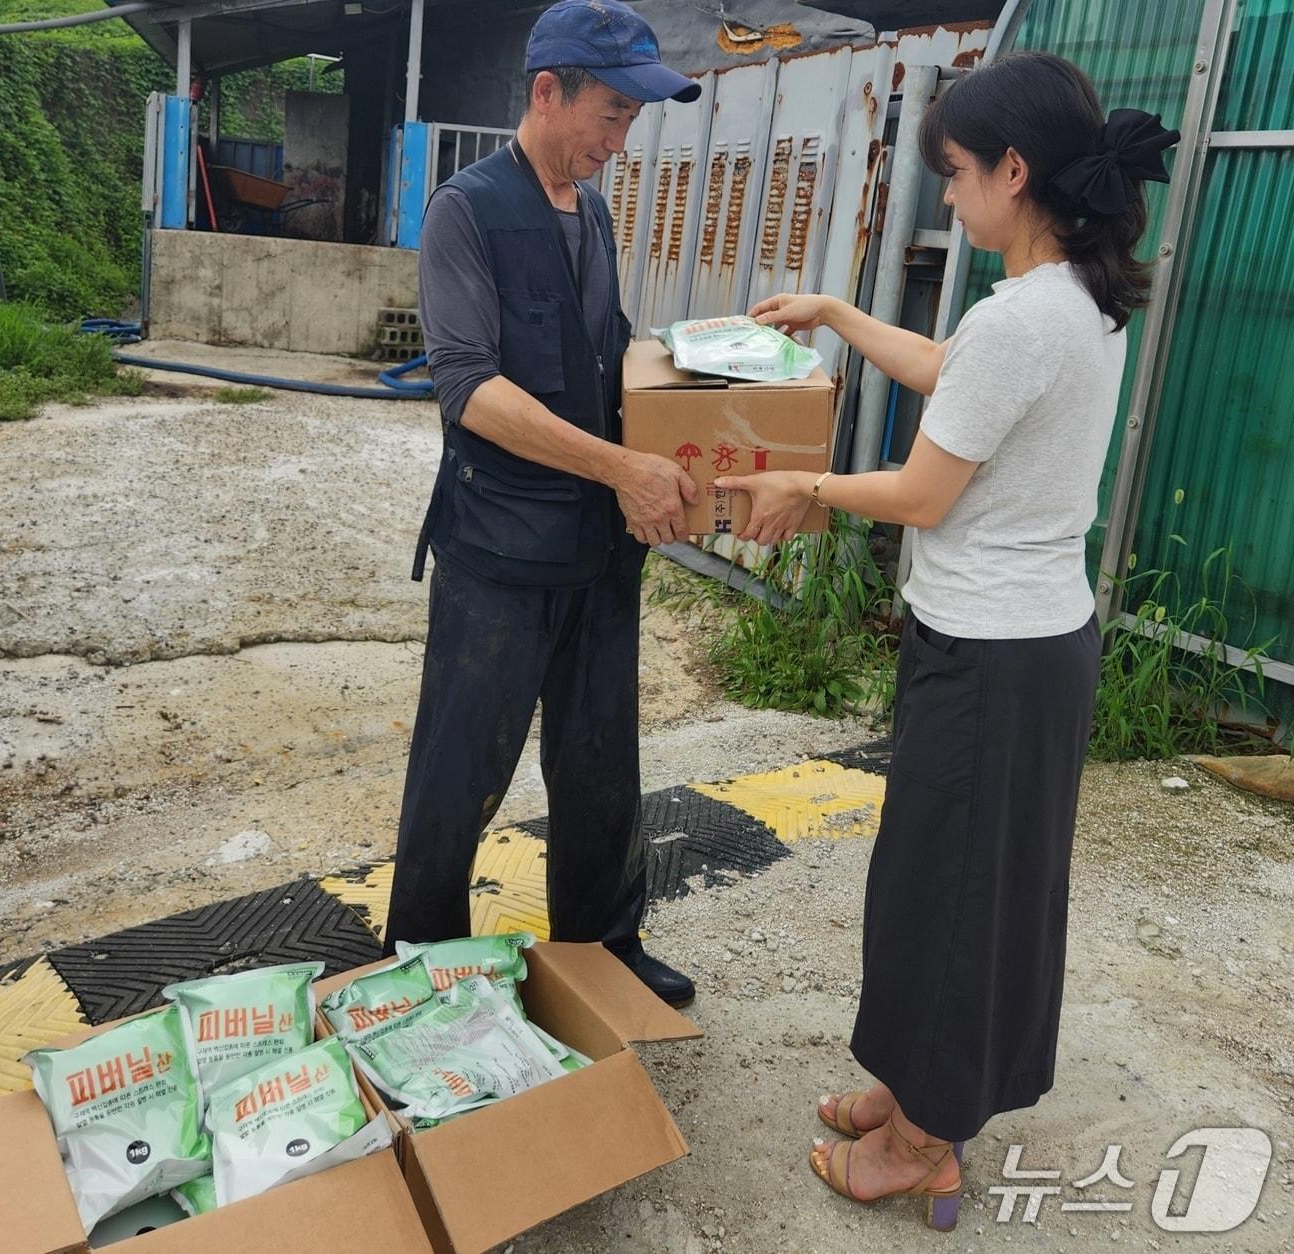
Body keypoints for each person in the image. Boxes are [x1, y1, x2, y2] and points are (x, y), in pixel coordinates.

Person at [716, 52, 1179, 1230]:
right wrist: (834, 315)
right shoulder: (1070, 297)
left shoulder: (1021, 315)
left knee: (957, 897)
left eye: (957, 173)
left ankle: (923, 1143)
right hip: (1021, 642)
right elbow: (953, 376)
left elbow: (924, 492)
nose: (949, 196)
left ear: (1012, 172)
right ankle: (915, 1088)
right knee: (944, 881)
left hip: (991, 658)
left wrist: (805, 486)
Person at [382, 0, 704, 1006]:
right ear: (547, 92)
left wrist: (701, 384)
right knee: (460, 773)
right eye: (609, 115)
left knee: (601, 761)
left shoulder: (591, 211)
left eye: (631, 120)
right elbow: (468, 387)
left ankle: (604, 950)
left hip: (597, 552)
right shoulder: (465, 211)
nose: (620, 141)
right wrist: (618, 468)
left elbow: (602, 350)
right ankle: (422, 967)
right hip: (499, 554)